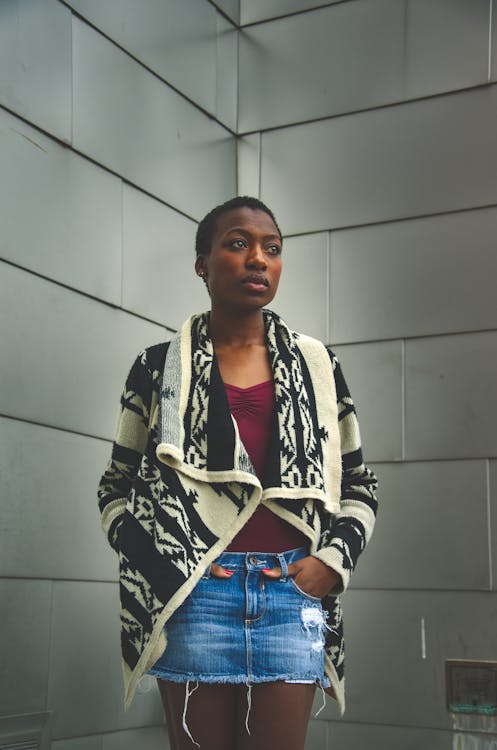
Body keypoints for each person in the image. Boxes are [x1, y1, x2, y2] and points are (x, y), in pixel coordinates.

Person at [98, 196, 378, 750]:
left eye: (271, 249)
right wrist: (166, 568)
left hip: (291, 596)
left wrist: (331, 564)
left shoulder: (318, 366)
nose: (258, 259)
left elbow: (360, 486)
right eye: (238, 244)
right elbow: (114, 490)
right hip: (195, 596)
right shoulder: (157, 368)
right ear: (202, 263)